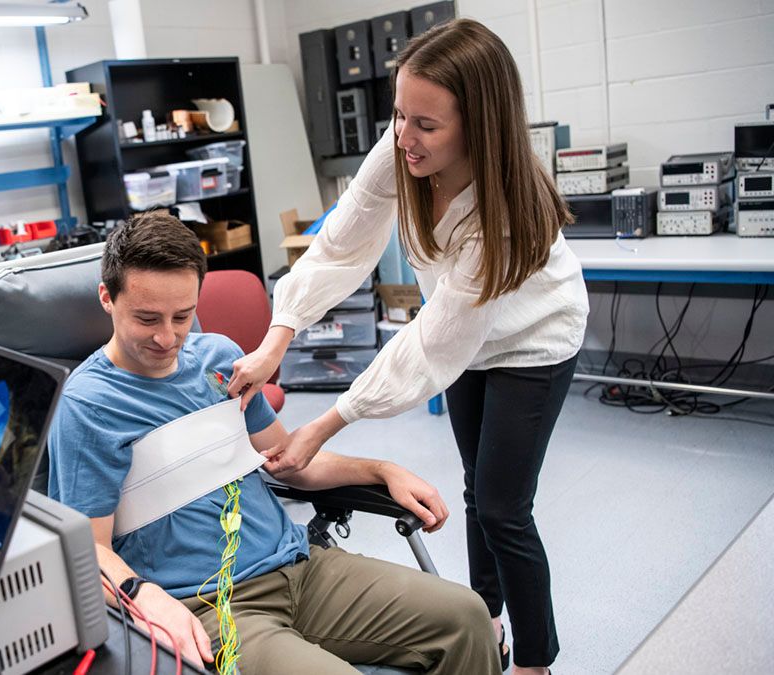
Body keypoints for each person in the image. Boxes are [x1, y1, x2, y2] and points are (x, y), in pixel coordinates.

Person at [228, 19, 589, 675]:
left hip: (535, 337)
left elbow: (431, 343)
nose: (404, 136)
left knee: (505, 506)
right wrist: (277, 340)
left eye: (426, 124)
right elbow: (342, 243)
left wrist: (325, 425)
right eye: (399, 114)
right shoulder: (402, 148)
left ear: (478, 126)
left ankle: (536, 661)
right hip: (467, 338)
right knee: (477, 491)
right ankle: (487, 621)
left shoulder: (503, 216)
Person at [47, 212, 499, 675]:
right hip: (214, 606)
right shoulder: (89, 407)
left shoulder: (220, 360)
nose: (168, 337)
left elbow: (289, 461)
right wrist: (143, 596)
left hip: (302, 568)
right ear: (108, 297)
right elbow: (87, 549)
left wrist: (381, 470)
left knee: (467, 618)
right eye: (147, 319)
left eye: (182, 316)